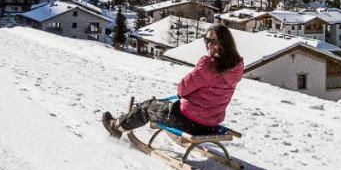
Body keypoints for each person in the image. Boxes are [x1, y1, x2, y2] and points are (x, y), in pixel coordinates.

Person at [104, 24, 244, 138]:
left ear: (224, 44)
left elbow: (182, 89)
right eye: (206, 40)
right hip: (211, 123)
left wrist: (206, 60)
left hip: (189, 123)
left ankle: (115, 126)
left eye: (213, 42)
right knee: (165, 106)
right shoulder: (236, 66)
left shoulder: (208, 65)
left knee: (148, 107)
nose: (208, 45)